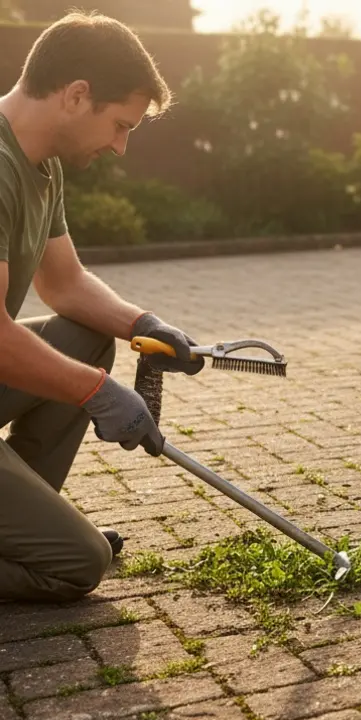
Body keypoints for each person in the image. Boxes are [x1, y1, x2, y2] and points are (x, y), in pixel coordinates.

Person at [0, 12, 202, 603]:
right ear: (76, 95)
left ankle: (26, 528)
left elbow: (65, 285)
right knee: (77, 565)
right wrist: (95, 391)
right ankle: (47, 542)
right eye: (119, 126)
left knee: (86, 336)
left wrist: (144, 325)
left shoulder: (41, 165)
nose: (119, 146)